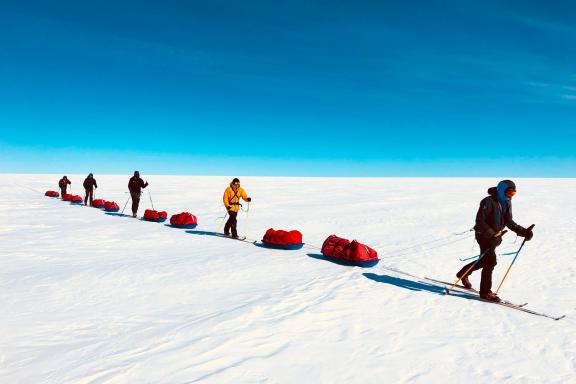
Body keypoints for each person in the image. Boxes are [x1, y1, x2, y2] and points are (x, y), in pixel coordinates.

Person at [457, 180, 533, 302]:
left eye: (513, 194)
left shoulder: (507, 203)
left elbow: (509, 221)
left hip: (495, 237)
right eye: (509, 192)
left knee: (484, 260)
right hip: (483, 235)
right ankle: (485, 292)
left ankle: (463, 273)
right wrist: (491, 234)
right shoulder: (488, 201)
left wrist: (523, 231)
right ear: (501, 190)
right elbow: (480, 221)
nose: (510, 196)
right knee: (490, 261)